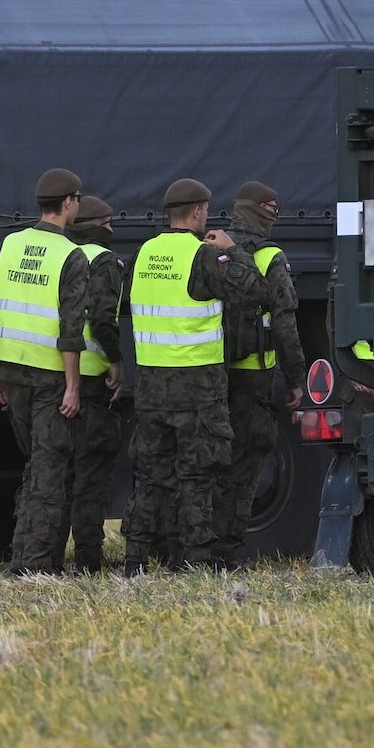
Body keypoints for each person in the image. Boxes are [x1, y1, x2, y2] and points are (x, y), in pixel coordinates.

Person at [120, 178, 267, 574]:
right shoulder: (202, 257)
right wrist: (233, 250)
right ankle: (193, 560)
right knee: (196, 475)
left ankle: (134, 559)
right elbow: (255, 292)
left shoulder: (144, 254)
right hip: (197, 387)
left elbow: (126, 308)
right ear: (200, 211)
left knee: (150, 476)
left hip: (151, 385)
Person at [0, 168, 89, 573]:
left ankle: (29, 558)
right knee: (49, 469)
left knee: (38, 464)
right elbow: (71, 332)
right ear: (69, 202)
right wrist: (73, 387)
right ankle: (34, 566)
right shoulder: (70, 254)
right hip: (49, 378)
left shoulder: (8, 245)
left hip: (10, 374)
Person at [211, 182, 308, 564]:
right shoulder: (270, 257)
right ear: (257, 211)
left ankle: (195, 550)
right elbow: (285, 323)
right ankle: (224, 553)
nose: (275, 214)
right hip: (253, 379)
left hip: (211, 374)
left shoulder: (212, 248)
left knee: (207, 463)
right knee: (245, 464)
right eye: (271, 208)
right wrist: (297, 379)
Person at [60, 195, 127, 572]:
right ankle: (87, 560)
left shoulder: (63, 257)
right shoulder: (104, 262)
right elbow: (103, 319)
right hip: (90, 380)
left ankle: (47, 557)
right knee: (91, 473)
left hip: (58, 376)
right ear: (101, 227)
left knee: (56, 472)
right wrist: (116, 361)